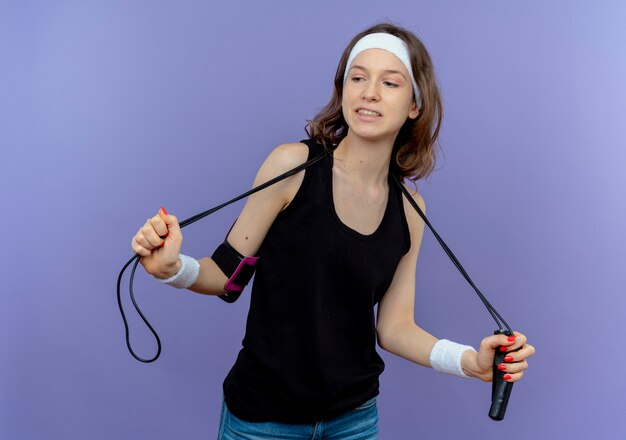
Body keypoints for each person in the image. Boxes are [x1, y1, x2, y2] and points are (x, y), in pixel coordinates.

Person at [131, 22, 535, 439]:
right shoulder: (291, 166)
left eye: (390, 82)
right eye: (357, 78)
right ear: (343, 91)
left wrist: (470, 362)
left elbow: (394, 328)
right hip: (263, 419)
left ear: (415, 105)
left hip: (354, 420)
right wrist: (172, 269)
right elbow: (226, 277)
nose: (369, 92)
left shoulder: (412, 208)